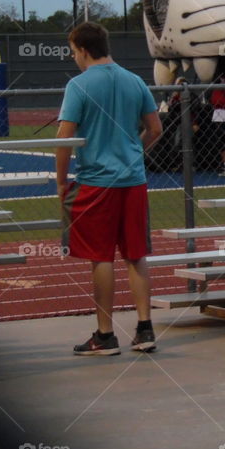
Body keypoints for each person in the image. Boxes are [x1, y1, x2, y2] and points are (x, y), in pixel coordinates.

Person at [56, 22, 163, 355]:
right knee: (135, 254)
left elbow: (65, 138)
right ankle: (145, 329)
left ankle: (105, 334)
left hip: (96, 181)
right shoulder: (134, 80)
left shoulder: (79, 85)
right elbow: (155, 128)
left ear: (84, 50)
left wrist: (61, 181)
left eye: (74, 51)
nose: (74, 58)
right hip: (132, 180)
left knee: (100, 256)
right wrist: (133, 152)